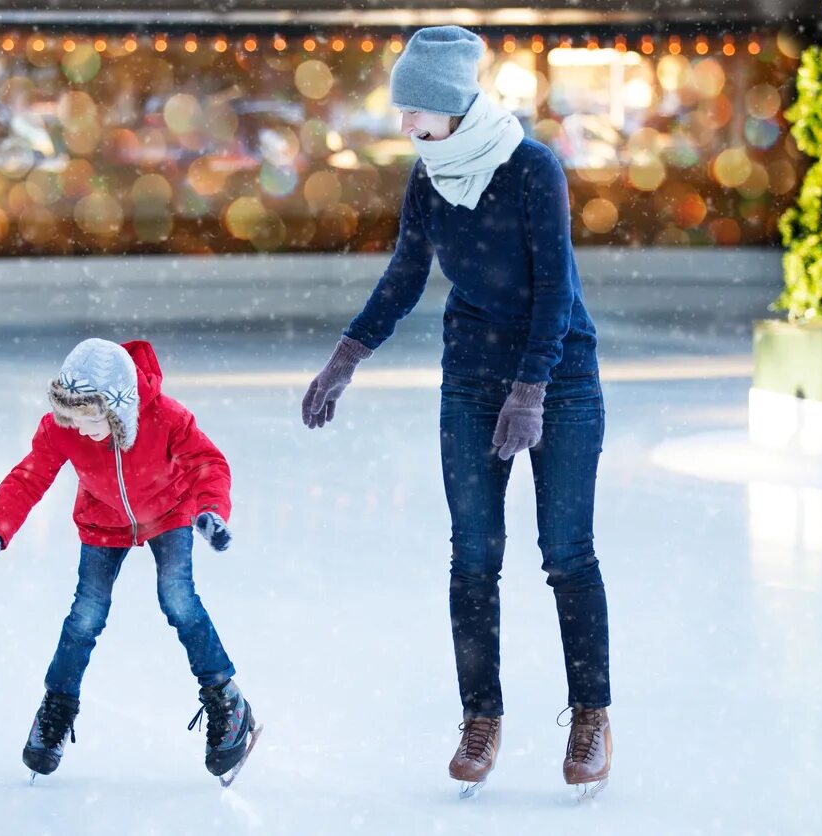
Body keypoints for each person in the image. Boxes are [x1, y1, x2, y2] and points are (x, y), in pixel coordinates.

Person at [301, 25, 611, 798]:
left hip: (561, 375)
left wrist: (533, 390)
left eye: (413, 112)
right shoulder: (429, 177)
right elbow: (407, 274)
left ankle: (591, 714)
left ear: (447, 104)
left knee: (566, 552)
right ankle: (481, 718)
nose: (404, 125)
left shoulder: (533, 168)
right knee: (473, 554)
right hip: (471, 377)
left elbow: (556, 289)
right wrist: (349, 355)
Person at [0, 338, 260, 786]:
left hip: (170, 512)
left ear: (120, 408)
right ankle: (56, 709)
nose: (81, 431)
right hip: (102, 520)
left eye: (91, 422)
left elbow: (209, 463)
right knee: (85, 615)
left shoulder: (166, 417)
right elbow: (29, 476)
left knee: (178, 600)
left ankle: (228, 701)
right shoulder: (63, 428)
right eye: (71, 419)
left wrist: (211, 512)